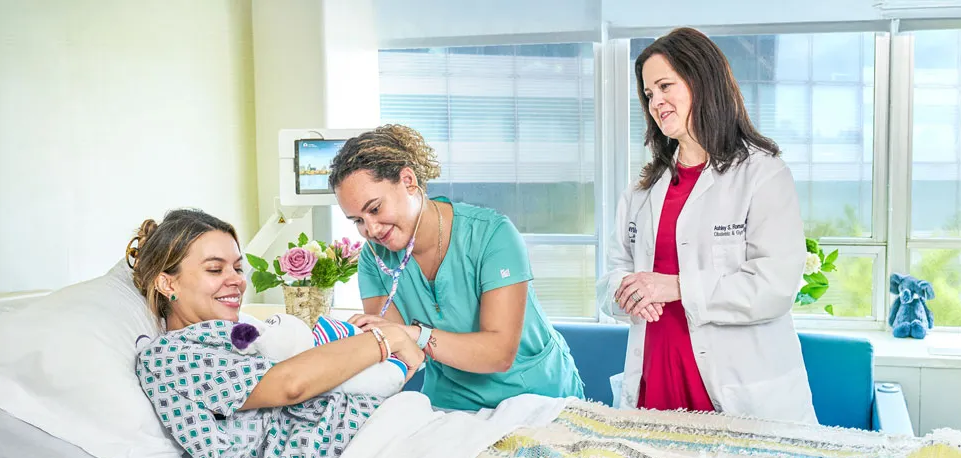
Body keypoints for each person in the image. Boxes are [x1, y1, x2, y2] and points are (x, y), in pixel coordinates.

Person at [598, 27, 817, 424]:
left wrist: (675, 286)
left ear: (701, 79)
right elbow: (614, 273)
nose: (655, 102)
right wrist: (625, 292)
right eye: (648, 94)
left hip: (736, 390)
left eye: (665, 86)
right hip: (656, 383)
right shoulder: (642, 189)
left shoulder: (762, 174)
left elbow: (775, 286)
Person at [129, 209, 425, 458]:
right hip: (362, 457)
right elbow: (290, 384)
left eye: (237, 268)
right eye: (215, 270)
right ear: (168, 283)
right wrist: (389, 338)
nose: (237, 281)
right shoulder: (168, 357)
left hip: (392, 432)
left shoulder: (241, 332)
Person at [328, 124, 585, 412]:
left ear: (408, 180)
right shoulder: (374, 258)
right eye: (357, 221)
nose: (371, 229)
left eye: (374, 209)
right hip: (451, 402)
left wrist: (415, 334)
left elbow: (499, 353)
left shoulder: (493, 235)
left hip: (535, 396)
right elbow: (396, 348)